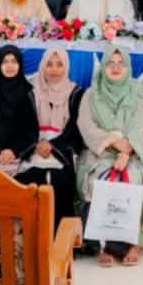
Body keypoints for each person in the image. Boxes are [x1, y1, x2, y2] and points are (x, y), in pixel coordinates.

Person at [76, 43, 143, 266]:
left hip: (133, 151)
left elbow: (141, 126)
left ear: (128, 67)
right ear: (103, 66)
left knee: (134, 179)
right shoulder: (91, 94)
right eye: (110, 63)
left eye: (121, 63)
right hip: (100, 152)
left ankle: (133, 243)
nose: (115, 67)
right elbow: (86, 126)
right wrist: (113, 142)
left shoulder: (138, 92)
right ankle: (103, 245)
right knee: (98, 180)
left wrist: (126, 151)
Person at [30, 48, 84, 226]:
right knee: (31, 179)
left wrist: (52, 145)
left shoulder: (75, 92)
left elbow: (75, 127)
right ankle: (32, 234)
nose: (54, 70)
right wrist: (36, 144)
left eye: (59, 64)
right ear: (42, 66)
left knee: (60, 181)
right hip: (34, 145)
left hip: (62, 146)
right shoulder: (30, 91)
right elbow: (22, 124)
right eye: (49, 64)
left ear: (66, 67)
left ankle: (61, 235)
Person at [0, 44, 42, 177]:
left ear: (20, 65)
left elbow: (31, 132)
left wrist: (14, 151)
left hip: (19, 154)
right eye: (5, 62)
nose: (10, 66)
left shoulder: (27, 92)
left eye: (14, 61)